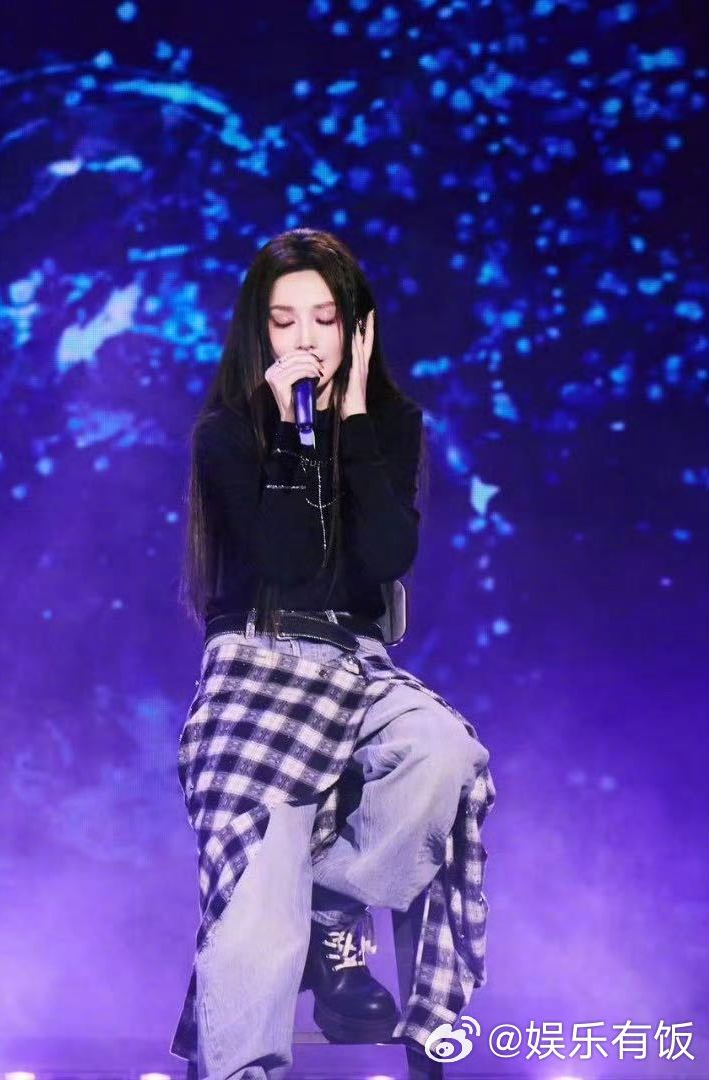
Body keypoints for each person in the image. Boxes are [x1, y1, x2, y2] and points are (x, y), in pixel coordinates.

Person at [168, 228, 497, 1079]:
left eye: (324, 318)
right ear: (259, 331)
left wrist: (348, 418)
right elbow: (286, 560)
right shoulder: (226, 433)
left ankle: (331, 911)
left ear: (357, 327)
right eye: (284, 321)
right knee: (256, 900)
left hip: (356, 663)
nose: (306, 339)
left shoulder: (390, 423)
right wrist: (292, 430)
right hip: (255, 662)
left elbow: (387, 554)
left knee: (442, 753)